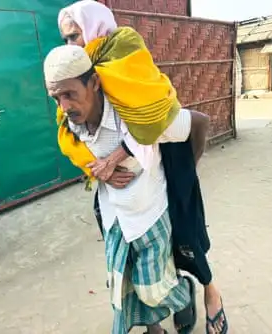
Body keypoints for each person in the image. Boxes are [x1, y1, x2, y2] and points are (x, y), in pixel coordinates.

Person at [57, 2, 228, 334]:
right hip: (117, 207)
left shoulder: (126, 70)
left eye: (75, 36)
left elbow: (194, 123)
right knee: (128, 279)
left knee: (181, 254)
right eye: (65, 39)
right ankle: (155, 328)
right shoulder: (73, 91)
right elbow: (70, 140)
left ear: (94, 31)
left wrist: (185, 176)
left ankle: (205, 293)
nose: (70, 46)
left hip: (158, 198)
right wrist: (96, 169)